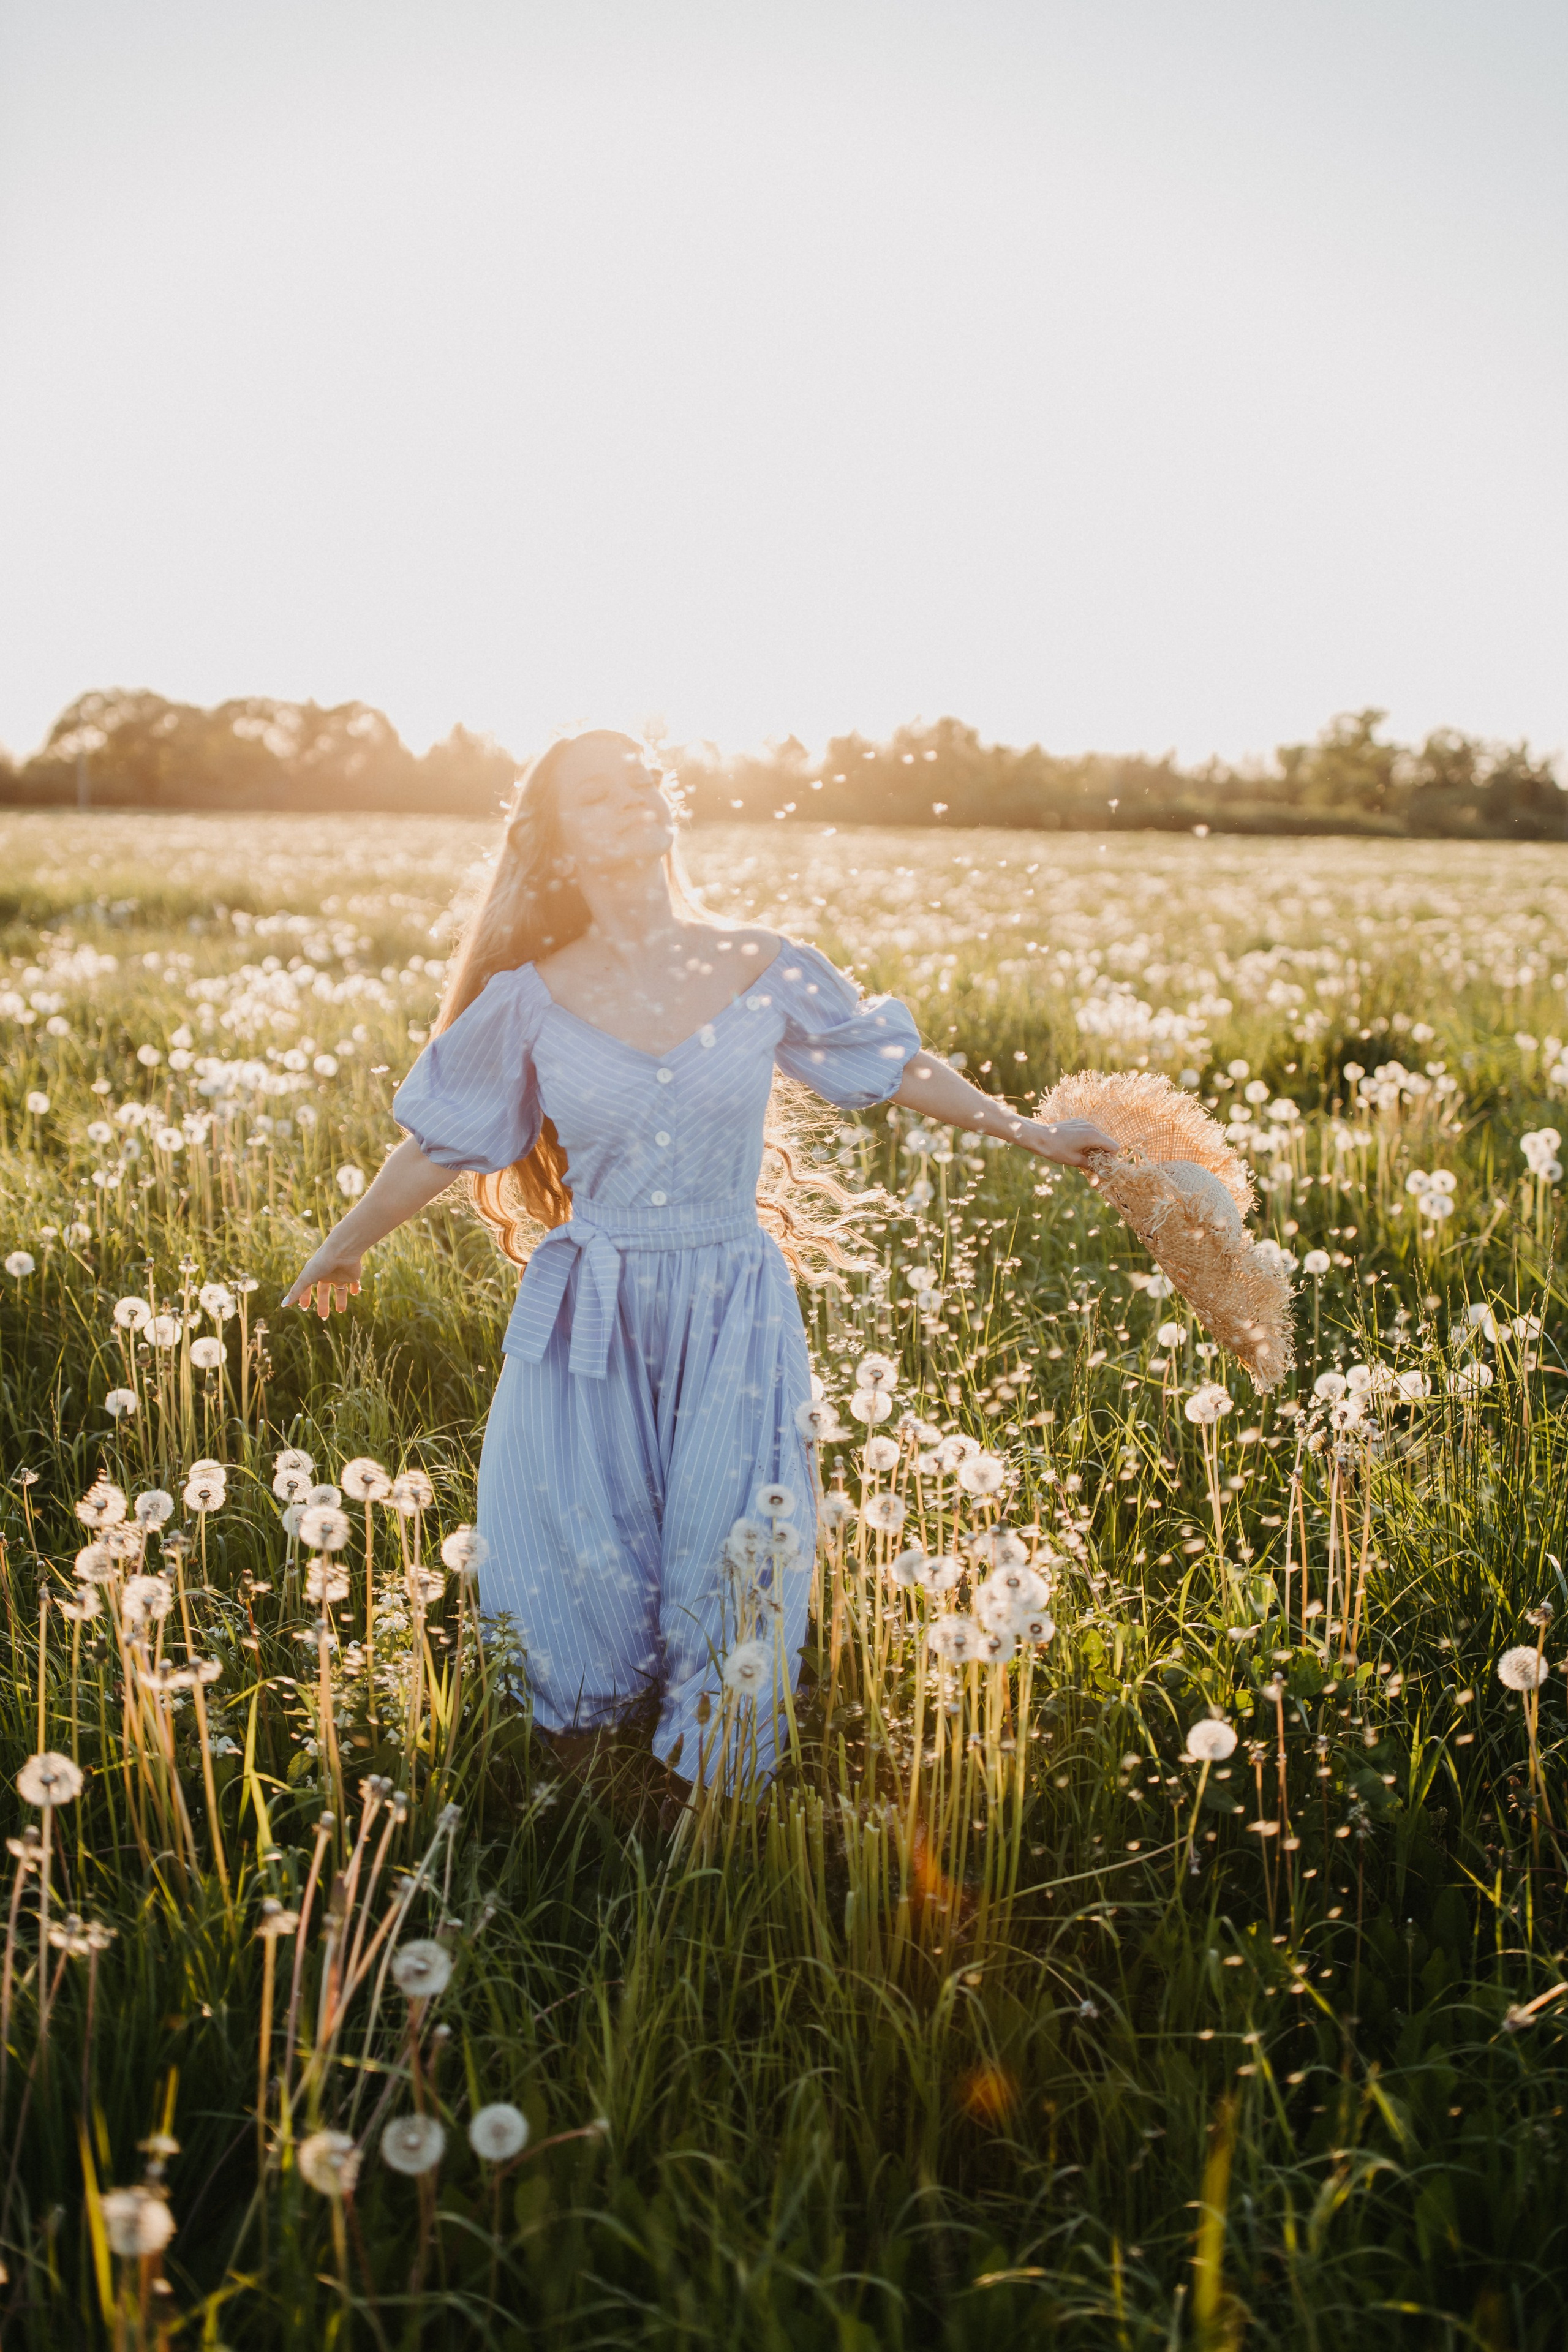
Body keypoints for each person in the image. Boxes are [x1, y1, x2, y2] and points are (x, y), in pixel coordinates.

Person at [283, 729, 1116, 1793]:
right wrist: (342, 1246)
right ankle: (584, 1773)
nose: (632, 794)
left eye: (643, 778)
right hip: (596, 1302)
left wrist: (1034, 1133)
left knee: (736, 1536)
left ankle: (712, 1776)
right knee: (575, 1532)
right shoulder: (531, 995)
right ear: (558, 844)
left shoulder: (760, 963)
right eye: (599, 793)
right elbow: (441, 1142)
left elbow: (893, 1063)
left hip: (733, 1297)